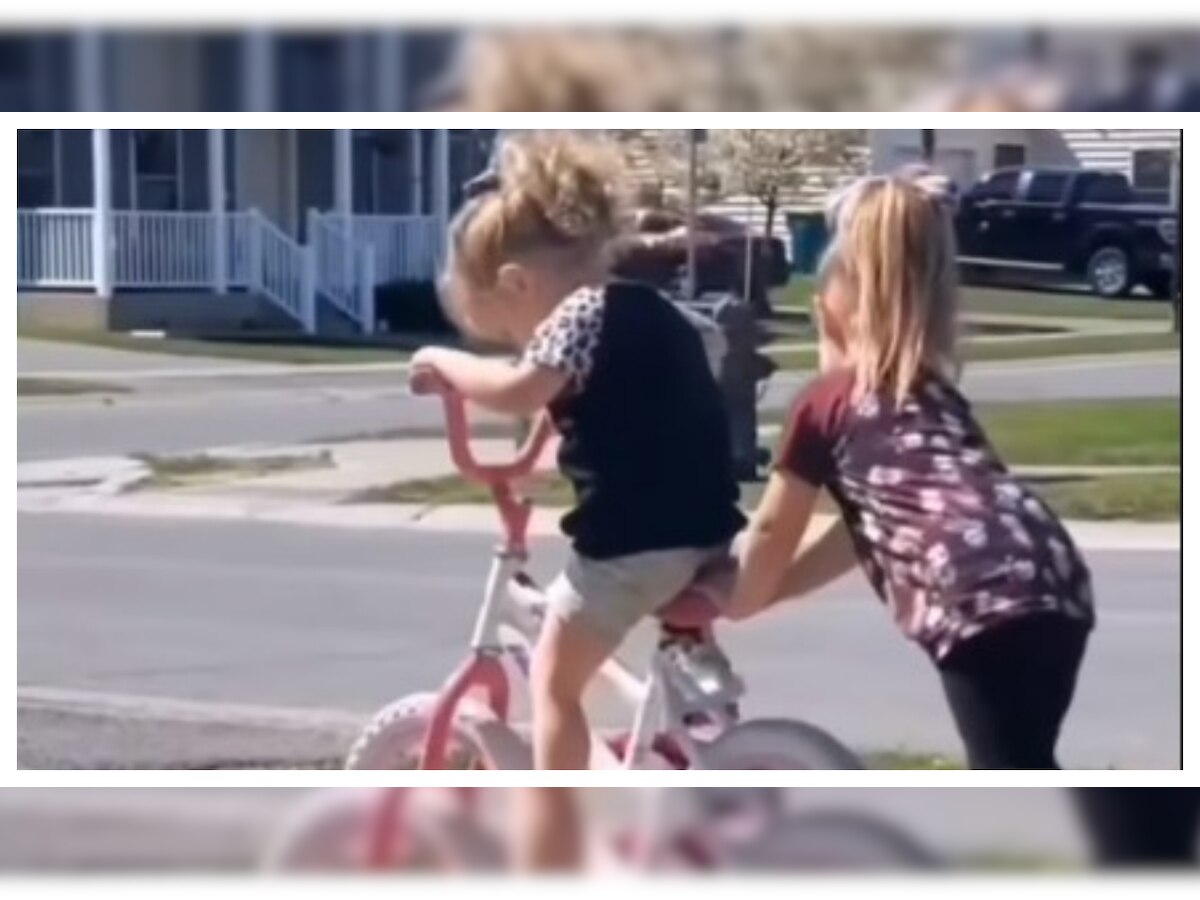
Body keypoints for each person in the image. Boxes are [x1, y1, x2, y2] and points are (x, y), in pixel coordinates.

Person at [409, 131, 745, 865]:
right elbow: (619, 408)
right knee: (653, 655)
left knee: (557, 688)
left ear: (519, 283)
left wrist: (445, 362)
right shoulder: (651, 310)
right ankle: (693, 744)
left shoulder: (576, 317)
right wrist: (548, 446)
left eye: (507, 328)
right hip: (707, 533)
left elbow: (519, 390)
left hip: (634, 546)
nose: (521, 342)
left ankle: (554, 850)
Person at [728, 168, 1095, 770]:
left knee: (1008, 776)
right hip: (1051, 570)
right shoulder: (934, 397)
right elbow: (859, 534)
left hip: (976, 594)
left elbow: (770, 533)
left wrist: (732, 601)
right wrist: (770, 594)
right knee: (1025, 760)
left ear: (832, 314)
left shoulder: (826, 403)